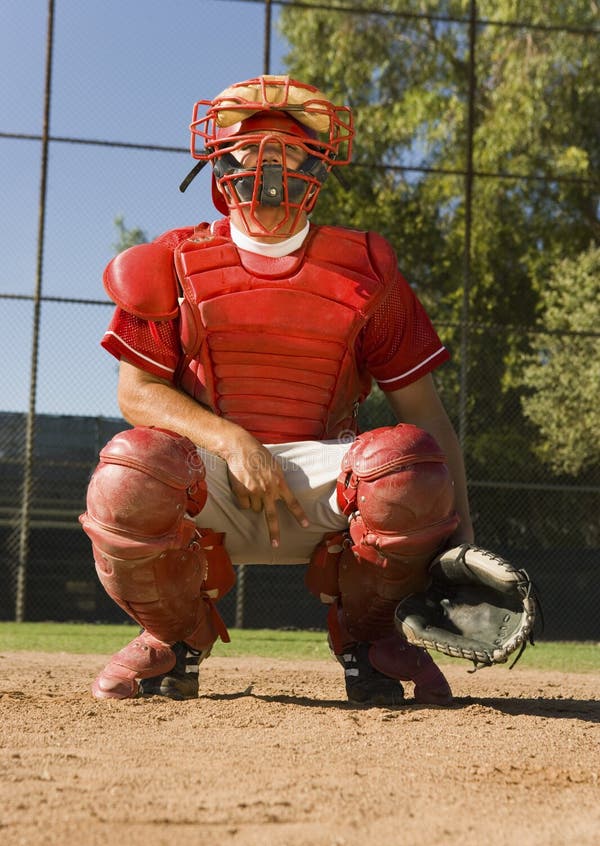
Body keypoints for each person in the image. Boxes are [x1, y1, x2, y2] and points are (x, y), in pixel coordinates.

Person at [80, 74, 474, 706]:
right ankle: (174, 637)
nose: (268, 166)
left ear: (316, 165)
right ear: (220, 165)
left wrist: (463, 543)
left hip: (328, 490)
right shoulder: (172, 259)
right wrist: (234, 442)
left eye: (288, 150)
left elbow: (427, 416)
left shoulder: (369, 270)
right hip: (209, 482)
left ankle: (370, 639)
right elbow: (137, 393)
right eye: (249, 148)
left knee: (407, 465)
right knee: (130, 470)